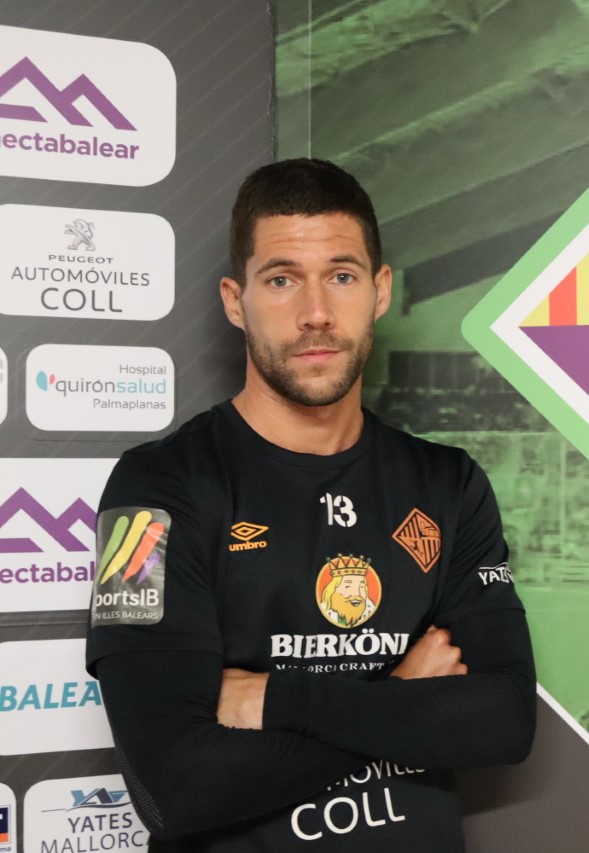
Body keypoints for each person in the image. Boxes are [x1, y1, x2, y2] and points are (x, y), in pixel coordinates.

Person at [84, 159, 536, 852]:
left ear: (380, 291)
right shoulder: (155, 490)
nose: (316, 312)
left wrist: (276, 697)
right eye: (282, 279)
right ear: (235, 301)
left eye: (342, 276)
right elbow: (173, 785)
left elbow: (505, 721)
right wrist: (401, 693)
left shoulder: (448, 483)